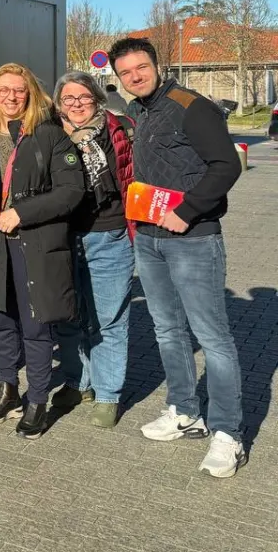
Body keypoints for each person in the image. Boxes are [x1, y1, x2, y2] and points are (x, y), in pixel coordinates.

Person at [109, 36, 246, 478]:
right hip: (149, 239)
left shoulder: (192, 106)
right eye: (126, 72)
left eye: (141, 67)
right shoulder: (139, 112)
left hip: (193, 239)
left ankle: (228, 433)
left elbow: (227, 165)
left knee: (213, 338)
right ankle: (185, 411)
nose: (135, 76)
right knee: (168, 330)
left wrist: (187, 211)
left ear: (157, 65)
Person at [0, 64, 83, 440]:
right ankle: (8, 389)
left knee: (35, 326)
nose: (11, 97)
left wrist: (21, 212)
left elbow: (71, 191)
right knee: (0, 322)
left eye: (19, 91)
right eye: (4, 90)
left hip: (34, 243)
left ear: (30, 94)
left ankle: (37, 400)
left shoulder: (49, 134)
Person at [50, 72, 135, 429]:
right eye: (68, 98)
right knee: (68, 316)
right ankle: (77, 382)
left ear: (97, 99)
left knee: (108, 319)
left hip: (109, 235)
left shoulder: (118, 129)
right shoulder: (50, 134)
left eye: (84, 97)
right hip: (62, 238)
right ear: (58, 103)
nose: (76, 104)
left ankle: (108, 394)